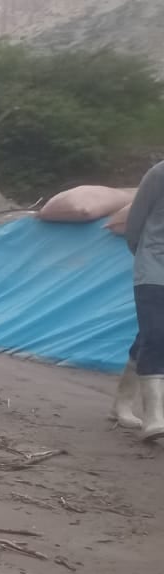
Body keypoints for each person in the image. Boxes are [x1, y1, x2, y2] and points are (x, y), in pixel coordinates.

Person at [118, 161, 164, 439]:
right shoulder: (159, 173)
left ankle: (122, 402)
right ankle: (154, 416)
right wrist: (147, 257)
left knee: (149, 335)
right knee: (157, 334)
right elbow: (134, 224)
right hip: (154, 267)